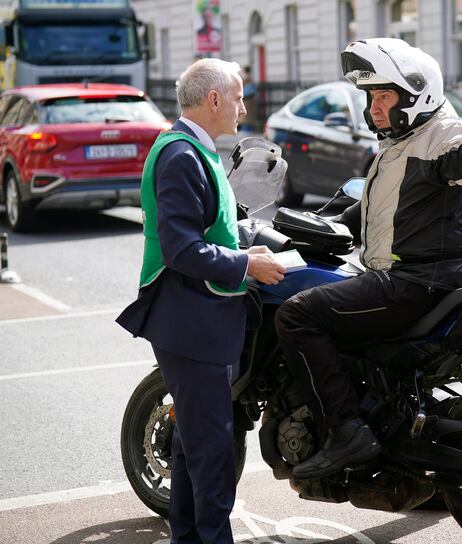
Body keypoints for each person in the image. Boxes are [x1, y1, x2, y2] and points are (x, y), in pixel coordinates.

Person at [274, 38, 462, 481]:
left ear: (415, 95)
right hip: (421, 279)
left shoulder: (440, 135)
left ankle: (345, 430)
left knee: (296, 316)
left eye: (384, 96)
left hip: (415, 283)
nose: (375, 106)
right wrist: (310, 225)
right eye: (372, 97)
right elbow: (373, 210)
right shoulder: (399, 144)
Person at [116, 58, 286, 544]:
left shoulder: (194, 149)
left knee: (194, 446)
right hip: (190, 324)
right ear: (214, 100)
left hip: (196, 319)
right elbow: (181, 248)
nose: (243, 107)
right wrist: (246, 265)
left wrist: (242, 250)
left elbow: (203, 234)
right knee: (211, 451)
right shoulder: (182, 156)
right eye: (237, 97)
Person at [240, 66, 257, 133]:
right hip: (247, 99)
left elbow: (249, 90)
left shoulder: (247, 79)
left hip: (248, 99)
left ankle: (247, 129)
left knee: (247, 115)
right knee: (247, 115)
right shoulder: (249, 78)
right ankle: (247, 128)